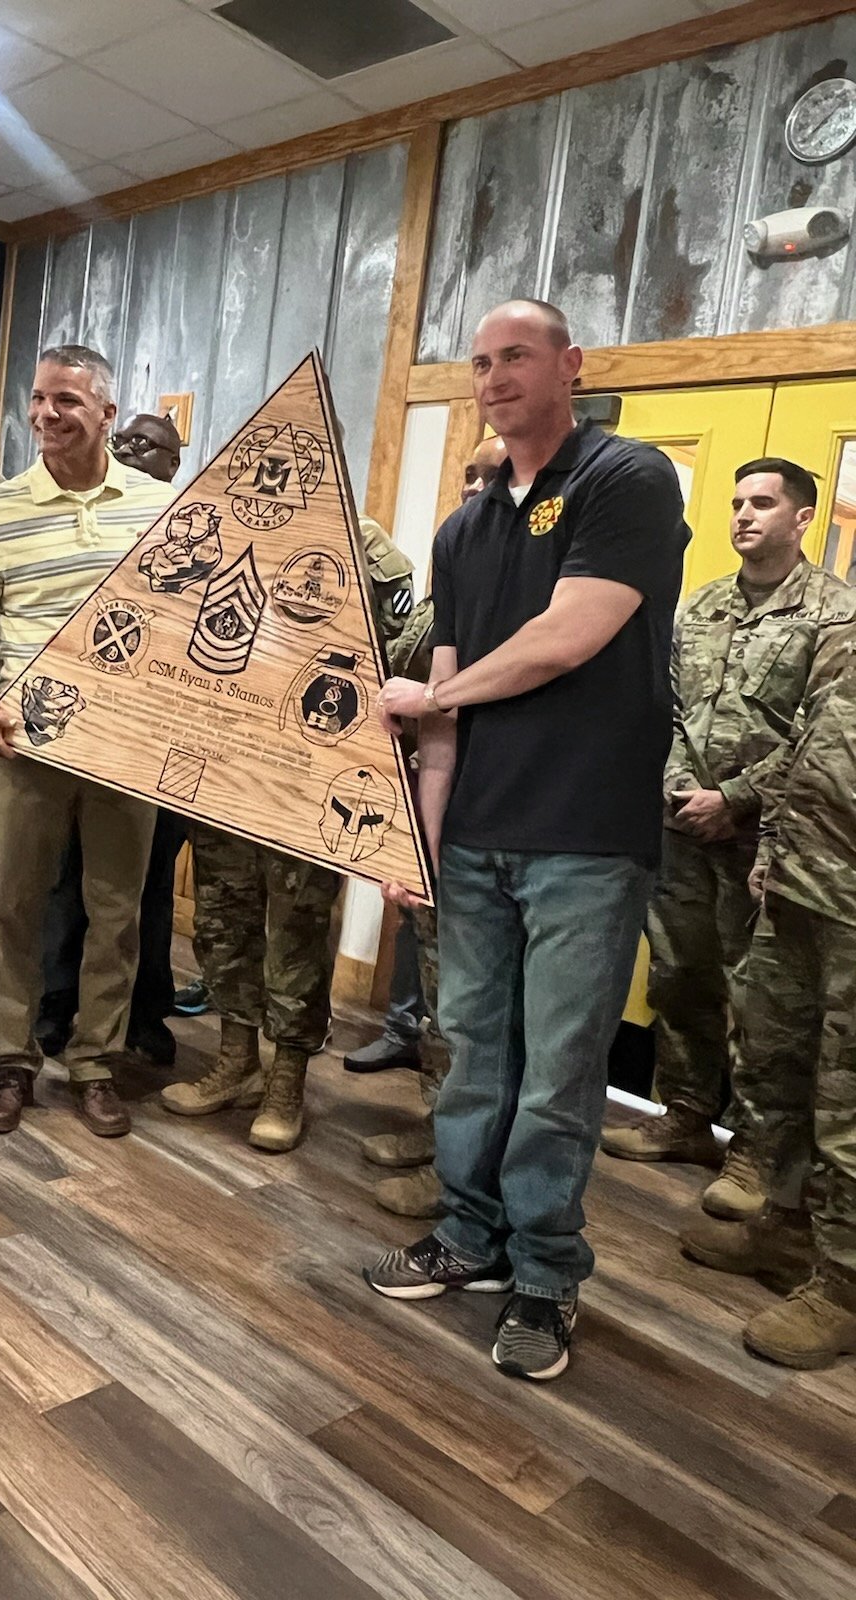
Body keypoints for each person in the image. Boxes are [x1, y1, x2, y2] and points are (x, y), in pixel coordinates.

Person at [363, 299, 687, 1382]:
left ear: (569, 365)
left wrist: (429, 696)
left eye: (516, 356)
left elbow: (568, 635)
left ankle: (545, 1273)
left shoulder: (627, 478)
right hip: (477, 838)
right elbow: (446, 708)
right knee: (470, 1056)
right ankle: (470, 1236)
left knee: (557, 1074)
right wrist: (419, 839)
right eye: (480, 362)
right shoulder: (463, 530)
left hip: (587, 837)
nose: (494, 377)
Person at [0, 345, 172, 1137]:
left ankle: (96, 1064)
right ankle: (12, 1061)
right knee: (13, 906)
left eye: (66, 400)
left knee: (116, 914)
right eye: (38, 399)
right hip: (25, 747)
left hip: (125, 749)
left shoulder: (157, 507)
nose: (46, 414)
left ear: (106, 412)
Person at [602, 460, 845, 1223]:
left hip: (770, 843)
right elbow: (670, 708)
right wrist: (681, 789)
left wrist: (735, 799)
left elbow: (816, 733)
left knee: (763, 1003)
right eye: (738, 502)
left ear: (802, 518)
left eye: (762, 503)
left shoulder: (832, 613)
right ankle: (685, 1113)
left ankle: (754, 1149)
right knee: (679, 976)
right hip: (684, 827)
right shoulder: (703, 603)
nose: (743, 514)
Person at [160, 516, 414, 1153]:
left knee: (297, 931)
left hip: (308, 774)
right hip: (228, 764)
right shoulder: (227, 525)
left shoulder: (369, 549)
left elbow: (392, 656)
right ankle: (237, 1061)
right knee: (222, 919)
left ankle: (287, 1081)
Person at [679, 603, 856, 1368]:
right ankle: (785, 1229)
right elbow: (803, 746)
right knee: (774, 1065)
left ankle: (845, 1286)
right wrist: (772, 846)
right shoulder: (847, 638)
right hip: (798, 888)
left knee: (847, 1101)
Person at [358, 436, 510, 1220]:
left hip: (500, 825)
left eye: (496, 475)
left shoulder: (527, 597)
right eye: (469, 475)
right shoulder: (442, 600)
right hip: (435, 819)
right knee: (443, 997)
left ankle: (471, 1173)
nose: (477, 488)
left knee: (482, 1012)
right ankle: (442, 1134)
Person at [35, 409, 185, 1067]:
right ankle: (55, 1004)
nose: (127, 449)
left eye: (145, 444)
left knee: (149, 889)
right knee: (70, 881)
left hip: (161, 743)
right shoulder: (89, 526)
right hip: (84, 733)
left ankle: (146, 1014)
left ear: (173, 465)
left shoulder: (193, 538)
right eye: (123, 441)